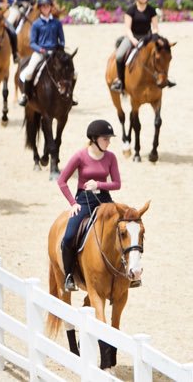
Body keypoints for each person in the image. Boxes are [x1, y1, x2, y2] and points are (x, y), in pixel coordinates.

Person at [55, 119, 123, 292]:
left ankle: (127, 272)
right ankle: (69, 275)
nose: (109, 142)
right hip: (84, 200)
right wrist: (73, 203)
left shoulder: (111, 157)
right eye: (105, 138)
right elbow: (62, 181)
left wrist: (99, 185)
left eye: (109, 139)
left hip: (105, 200)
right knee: (69, 236)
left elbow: (117, 184)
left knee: (124, 228)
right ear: (94, 139)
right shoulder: (80, 156)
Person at [111, 0, 161, 92]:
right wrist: (133, 40)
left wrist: (155, 36)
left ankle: (162, 78)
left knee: (161, 53)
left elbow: (155, 28)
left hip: (146, 38)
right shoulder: (131, 10)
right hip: (132, 38)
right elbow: (127, 29)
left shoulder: (152, 10)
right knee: (119, 55)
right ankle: (120, 81)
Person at [17, 0, 64, 107]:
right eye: (43, 7)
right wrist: (41, 50)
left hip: (55, 52)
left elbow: (61, 40)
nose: (46, 9)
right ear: (40, 8)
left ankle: (69, 95)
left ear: (51, 7)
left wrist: (59, 49)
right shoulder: (36, 24)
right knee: (27, 73)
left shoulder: (57, 23)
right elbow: (32, 43)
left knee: (71, 73)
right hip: (40, 53)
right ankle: (25, 95)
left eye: (47, 6)